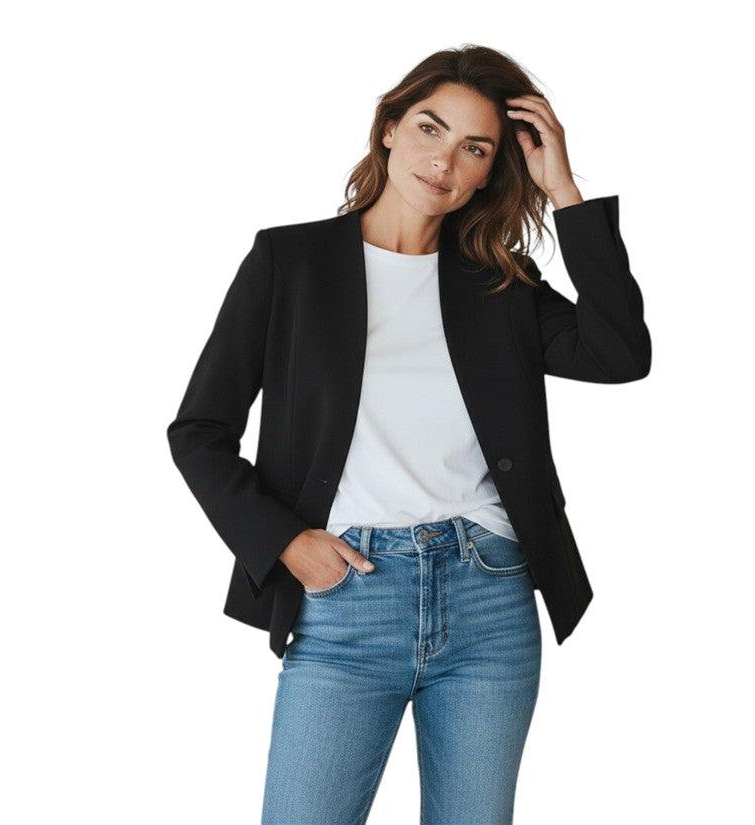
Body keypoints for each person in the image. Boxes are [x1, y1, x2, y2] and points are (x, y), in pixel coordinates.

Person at [166, 44, 652, 825]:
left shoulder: (499, 280)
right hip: (345, 599)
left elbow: (620, 353)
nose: (443, 161)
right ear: (389, 127)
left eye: (475, 148)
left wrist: (563, 190)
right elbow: (199, 428)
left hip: (488, 595)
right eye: (430, 128)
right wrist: (284, 540)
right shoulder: (290, 262)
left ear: (491, 172)